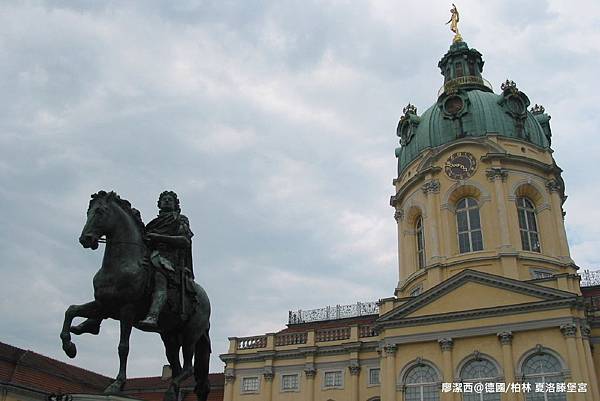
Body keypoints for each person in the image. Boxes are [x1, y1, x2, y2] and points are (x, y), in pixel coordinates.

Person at [138, 191, 194, 329]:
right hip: (148, 256)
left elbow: (184, 241)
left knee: (159, 276)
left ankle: (153, 315)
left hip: (169, 258)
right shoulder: (153, 223)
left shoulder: (180, 219)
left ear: (176, 204)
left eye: (170, 199)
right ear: (159, 204)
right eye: (164, 199)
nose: (167, 201)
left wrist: (158, 237)